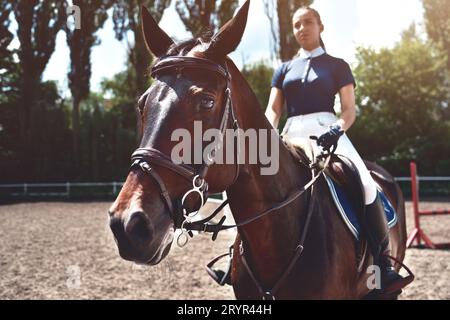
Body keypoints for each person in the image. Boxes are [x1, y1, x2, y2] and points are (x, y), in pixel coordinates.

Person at [264, 6, 411, 295]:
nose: (301, 29)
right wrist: (266, 134)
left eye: (307, 22)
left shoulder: (337, 65)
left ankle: (382, 266)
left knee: (366, 184)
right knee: (252, 180)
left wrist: (337, 130)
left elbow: (349, 110)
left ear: (320, 26)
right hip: (290, 133)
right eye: (296, 25)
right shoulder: (283, 69)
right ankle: (236, 256)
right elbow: (273, 109)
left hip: (328, 130)